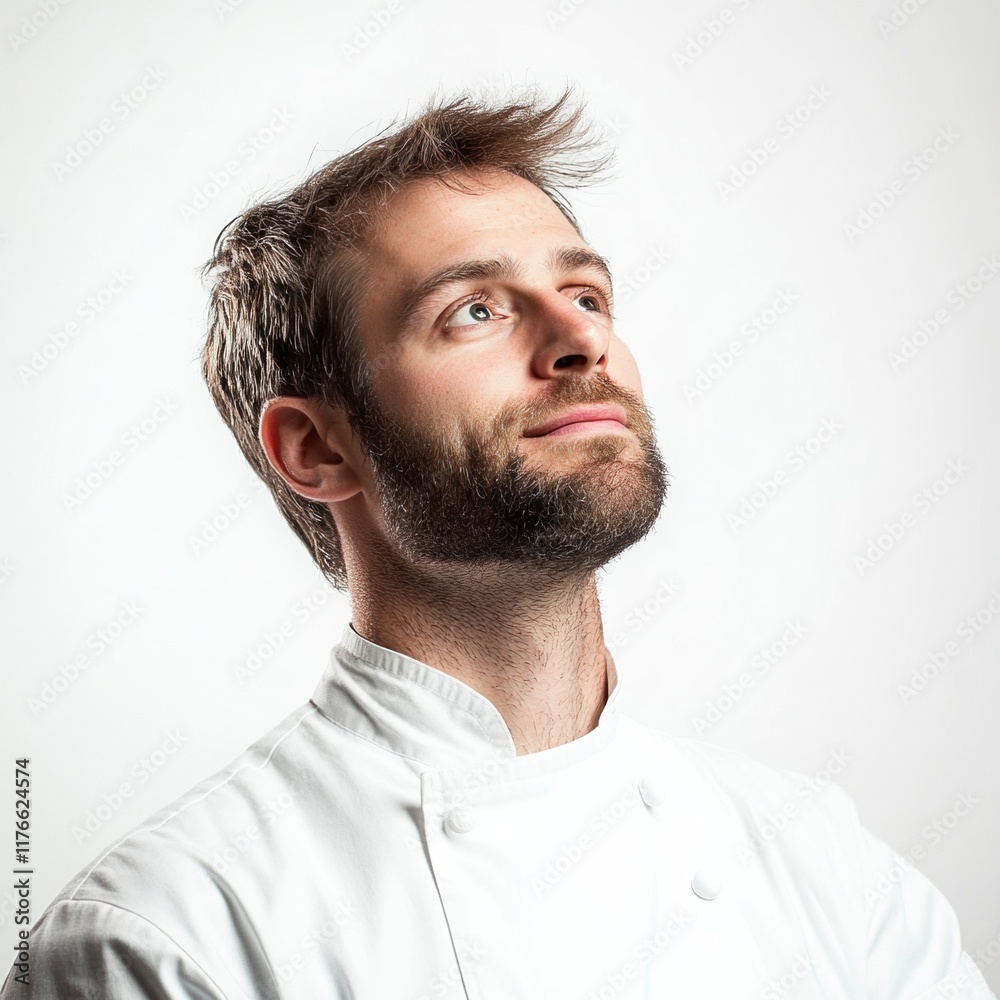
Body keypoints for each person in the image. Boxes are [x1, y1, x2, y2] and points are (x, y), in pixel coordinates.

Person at [4, 86, 994, 999]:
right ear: (314, 448)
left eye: (589, 294)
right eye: (474, 309)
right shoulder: (163, 933)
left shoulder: (823, 860)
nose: (578, 340)